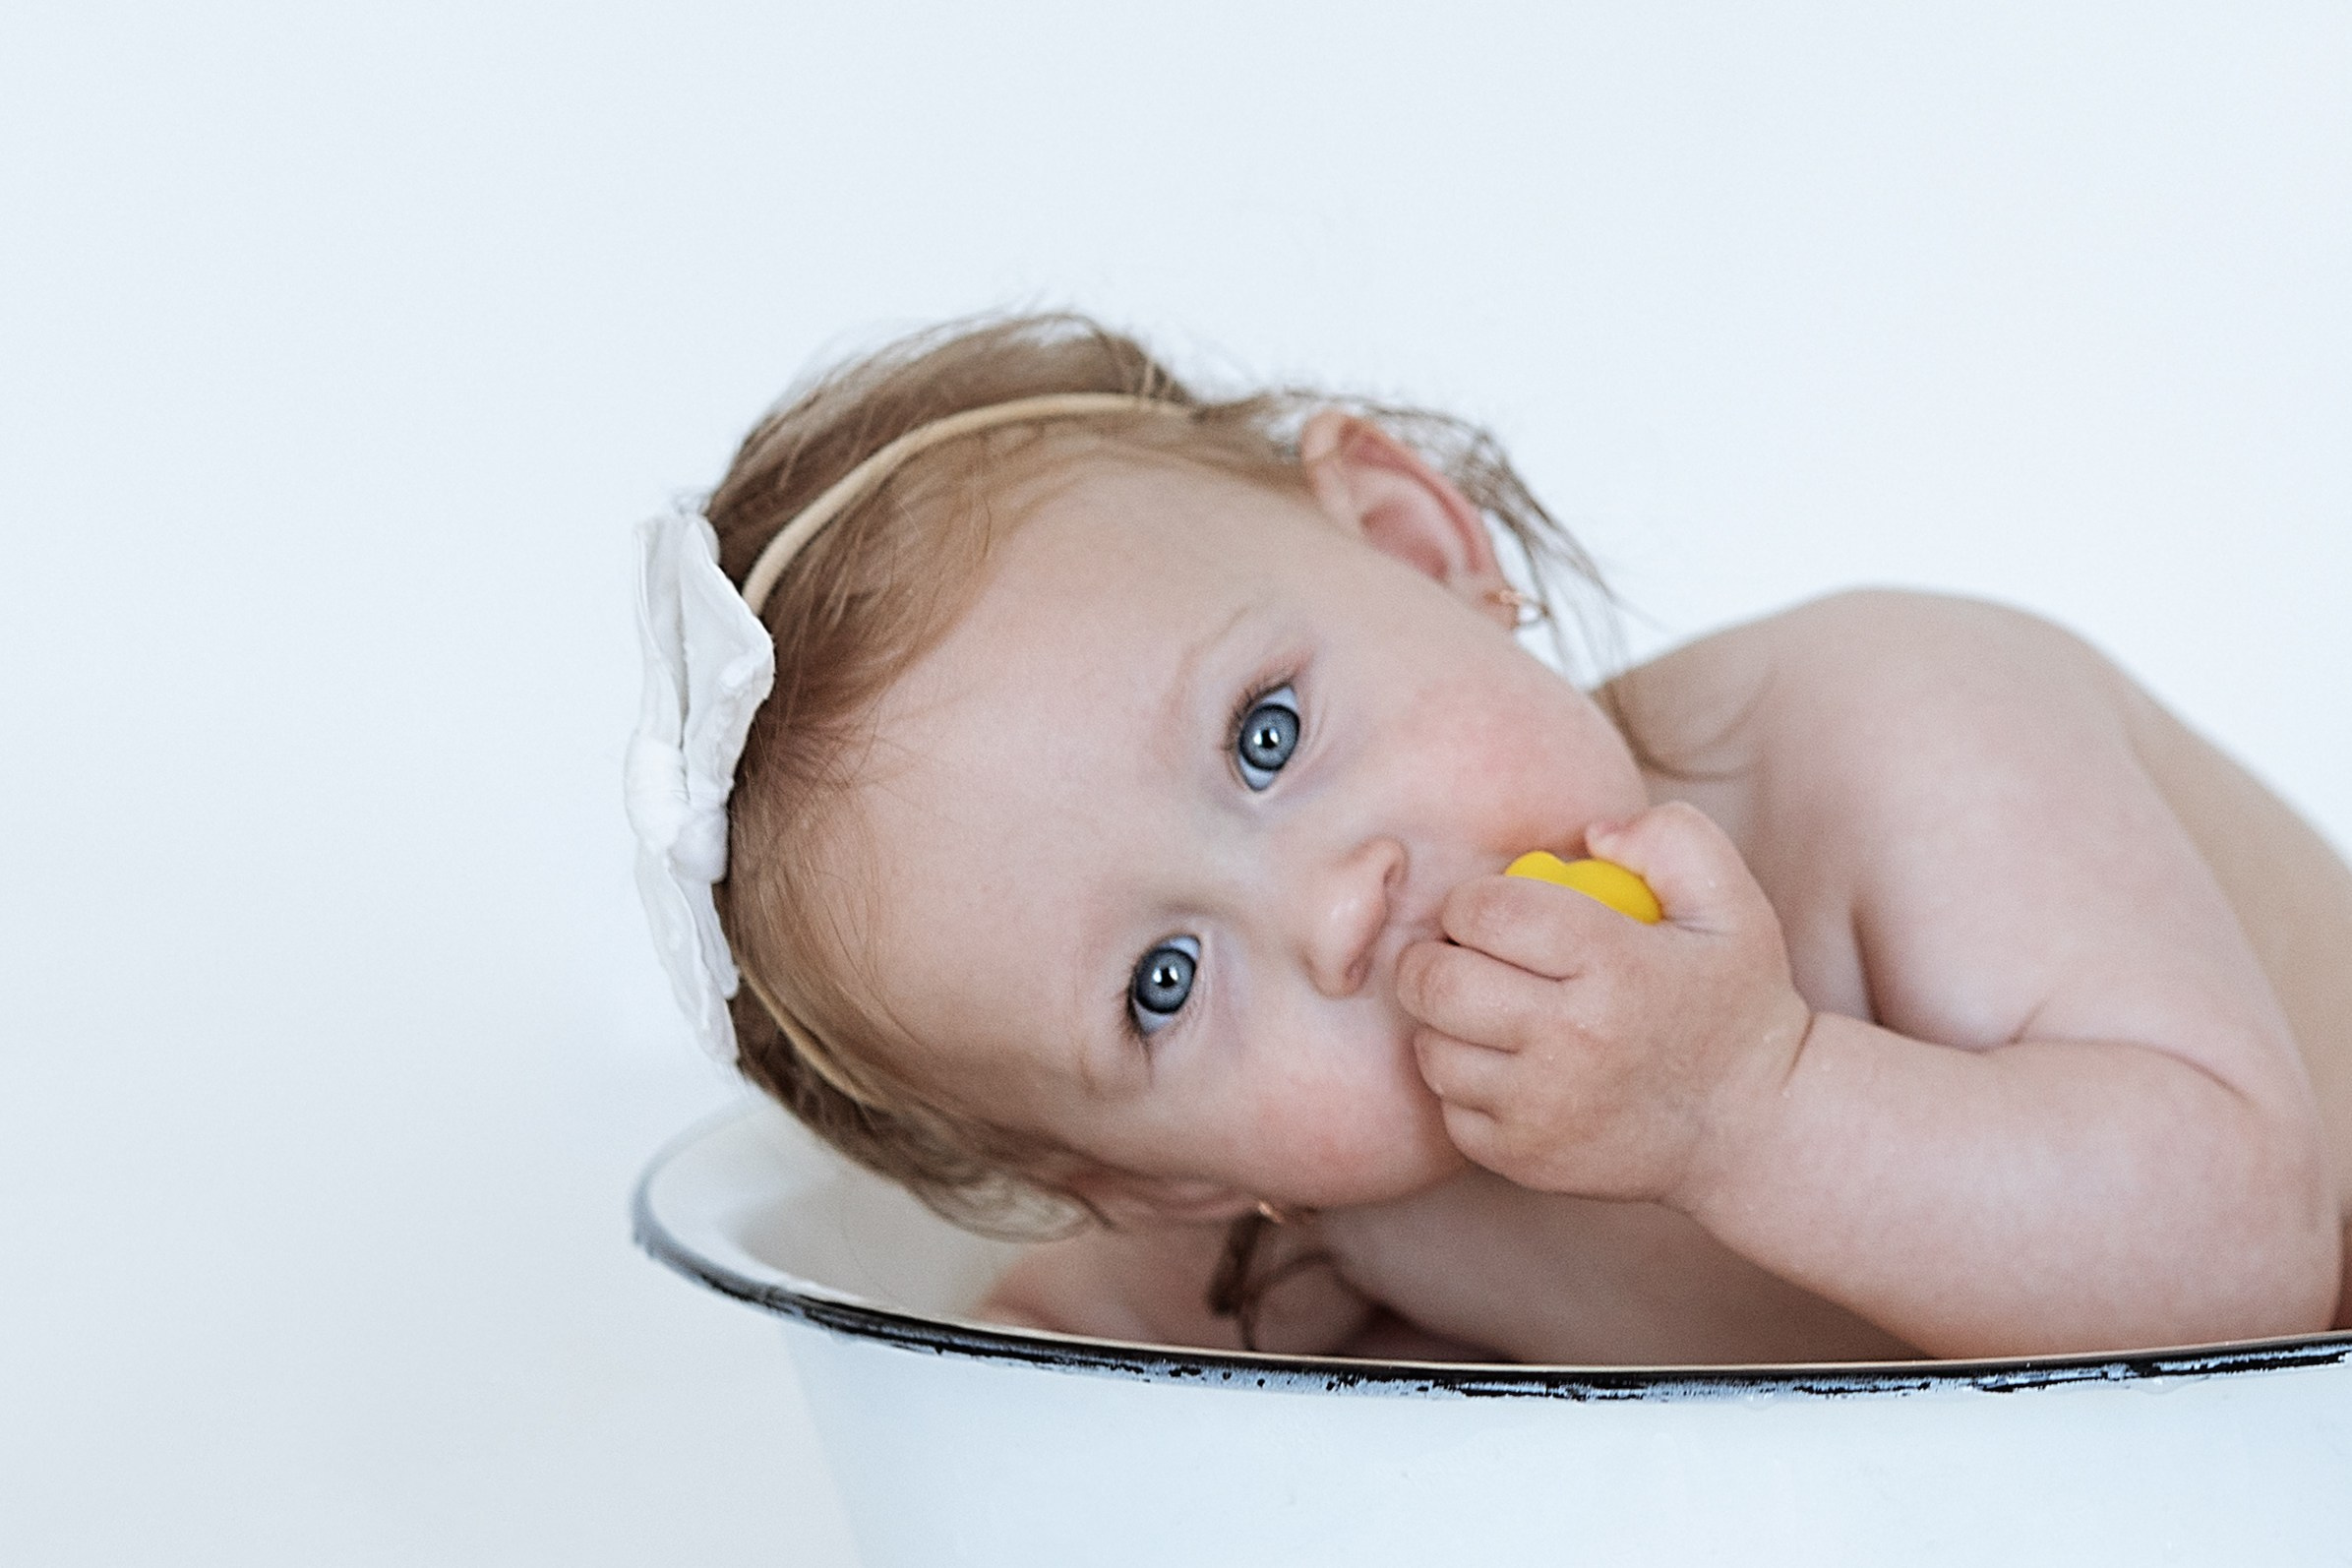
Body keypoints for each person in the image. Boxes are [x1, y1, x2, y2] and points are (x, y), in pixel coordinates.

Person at [627, 314, 2352, 1364]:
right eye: (1164, 981)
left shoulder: (1898, 740)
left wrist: (1747, 1104)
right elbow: (1056, 1387)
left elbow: (2252, 1262)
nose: (1332, 914)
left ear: (1415, 538)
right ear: (1166, 1172)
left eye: (1266, 734)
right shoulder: (1334, 1210)